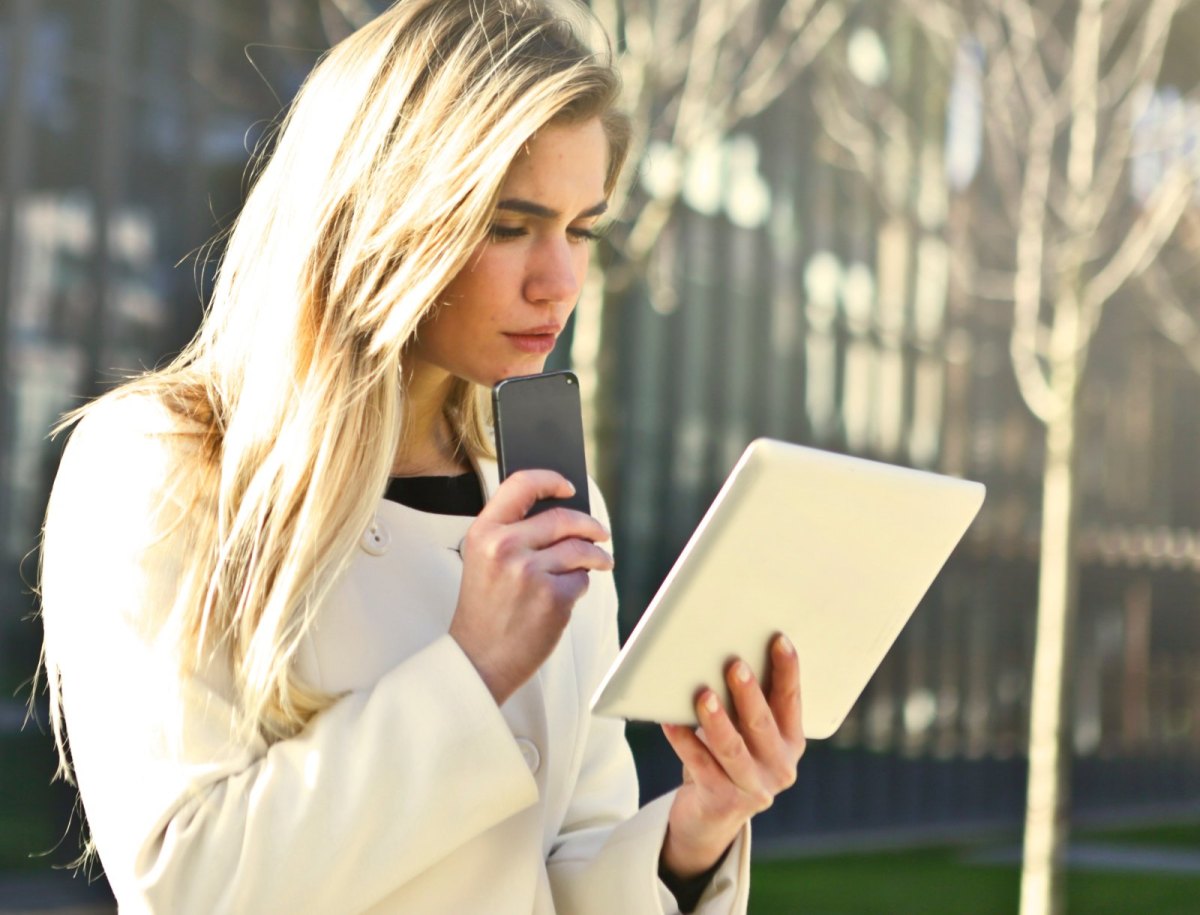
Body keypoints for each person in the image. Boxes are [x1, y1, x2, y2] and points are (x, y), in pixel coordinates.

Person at [37, 1, 805, 912]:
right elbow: (190, 883)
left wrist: (694, 833)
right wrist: (472, 668)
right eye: (510, 225)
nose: (559, 280)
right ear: (390, 213)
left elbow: (561, 866)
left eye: (582, 229)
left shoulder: (548, 493)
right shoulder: (164, 466)